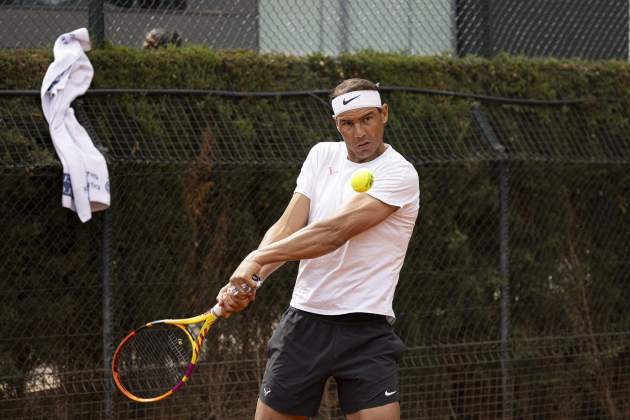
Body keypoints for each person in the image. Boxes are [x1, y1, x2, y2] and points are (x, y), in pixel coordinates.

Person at [217, 78, 420, 420]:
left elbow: (333, 232)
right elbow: (287, 226)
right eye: (348, 123)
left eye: (367, 118)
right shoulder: (321, 155)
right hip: (305, 323)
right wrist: (252, 278)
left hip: (366, 329)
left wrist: (256, 257)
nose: (359, 132)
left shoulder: (400, 174)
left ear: (384, 114)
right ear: (336, 124)